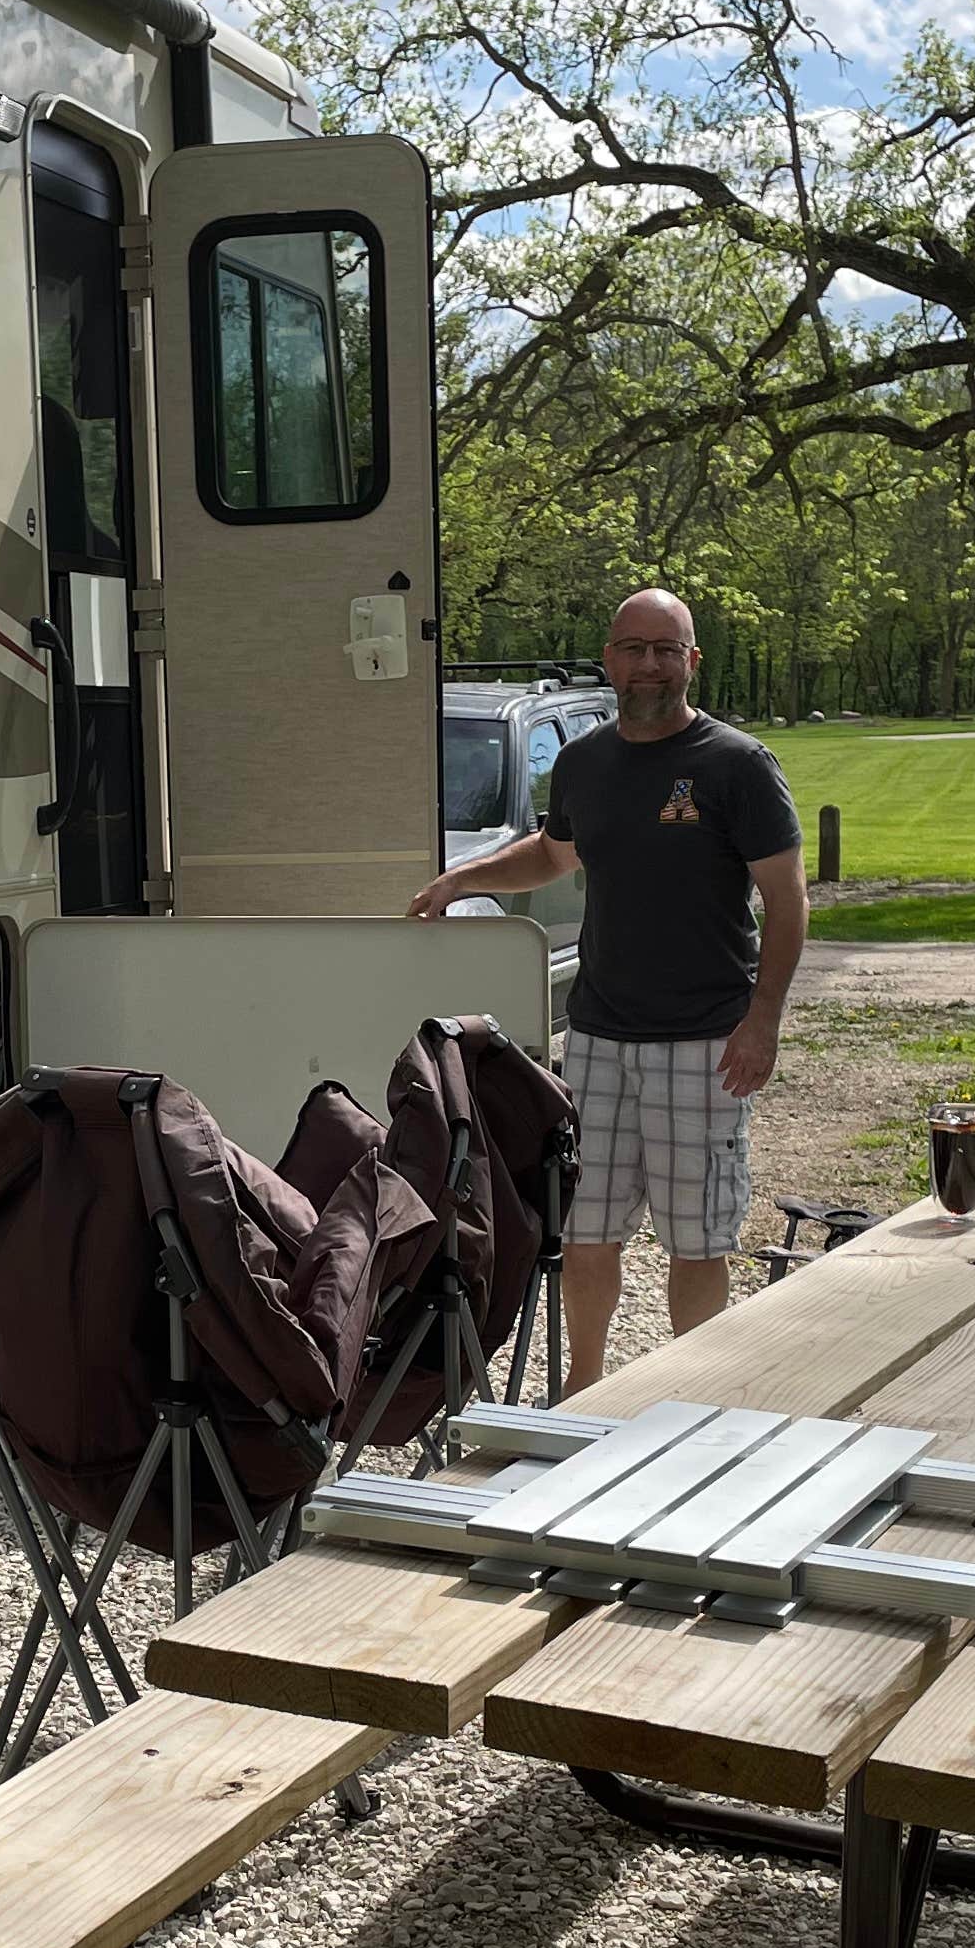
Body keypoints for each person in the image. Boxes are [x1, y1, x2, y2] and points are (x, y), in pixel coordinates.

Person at [409, 589, 805, 1388]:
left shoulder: (737, 766)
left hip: (705, 1040)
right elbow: (554, 856)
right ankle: (586, 1397)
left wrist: (762, 1023)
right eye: (634, 648)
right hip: (595, 1038)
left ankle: (699, 1405)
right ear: (609, 660)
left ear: (692, 662)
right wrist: (463, 878)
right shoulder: (585, 762)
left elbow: (789, 902)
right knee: (588, 1233)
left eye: (667, 650)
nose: (649, 665)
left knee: (697, 1240)